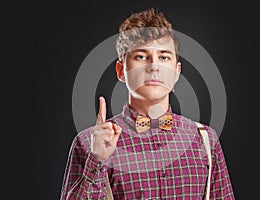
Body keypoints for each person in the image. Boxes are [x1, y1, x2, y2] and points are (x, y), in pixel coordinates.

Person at [60, 8, 235, 200]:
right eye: (141, 56)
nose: (154, 66)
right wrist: (96, 161)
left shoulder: (206, 140)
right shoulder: (88, 143)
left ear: (176, 72)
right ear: (121, 70)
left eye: (164, 57)